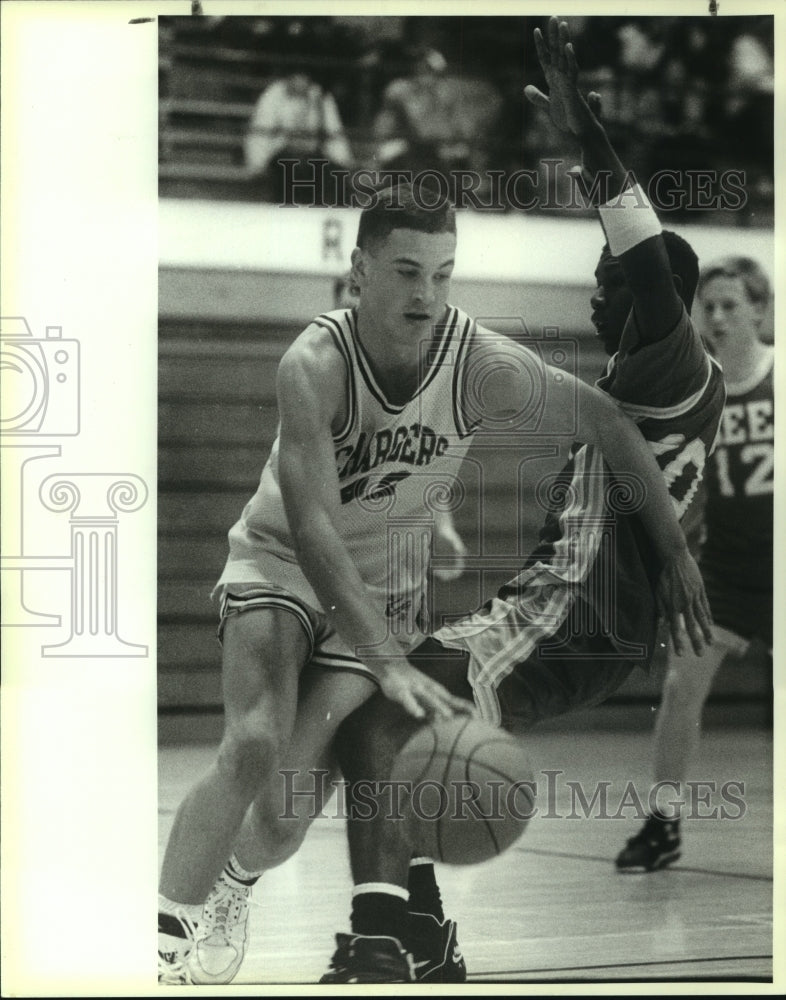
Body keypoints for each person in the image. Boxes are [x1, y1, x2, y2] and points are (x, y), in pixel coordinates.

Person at [157, 171, 713, 984]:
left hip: (380, 598)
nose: (428, 293)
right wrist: (385, 660)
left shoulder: (475, 359)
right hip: (281, 566)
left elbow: (606, 420)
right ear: (360, 272)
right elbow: (311, 528)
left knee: (281, 820)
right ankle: (165, 942)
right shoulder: (313, 362)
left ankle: (236, 886)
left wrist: (674, 551)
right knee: (252, 742)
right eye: (409, 273)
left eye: (444, 273)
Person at [315, 16, 725, 983]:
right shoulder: (646, 379)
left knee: (378, 711)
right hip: (575, 618)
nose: (594, 300)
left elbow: (639, 247)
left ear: (647, 293)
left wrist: (590, 143)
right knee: (383, 708)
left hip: (576, 618)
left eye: (606, 285)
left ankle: (388, 938)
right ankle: (421, 933)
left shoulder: (669, 359)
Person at [615, 255, 773, 872]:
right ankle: (663, 822)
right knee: (680, 689)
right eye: (707, 306)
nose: (716, 315)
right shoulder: (695, 387)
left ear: (759, 310)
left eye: (730, 304)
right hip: (724, 568)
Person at [245, 64, 354, 205]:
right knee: (292, 167)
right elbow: (260, 131)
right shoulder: (273, 95)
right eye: (296, 77)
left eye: (304, 77)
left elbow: (334, 130)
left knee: (334, 174)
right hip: (282, 153)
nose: (300, 81)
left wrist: (344, 160)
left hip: (313, 155)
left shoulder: (320, 96)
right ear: (288, 78)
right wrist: (257, 164)